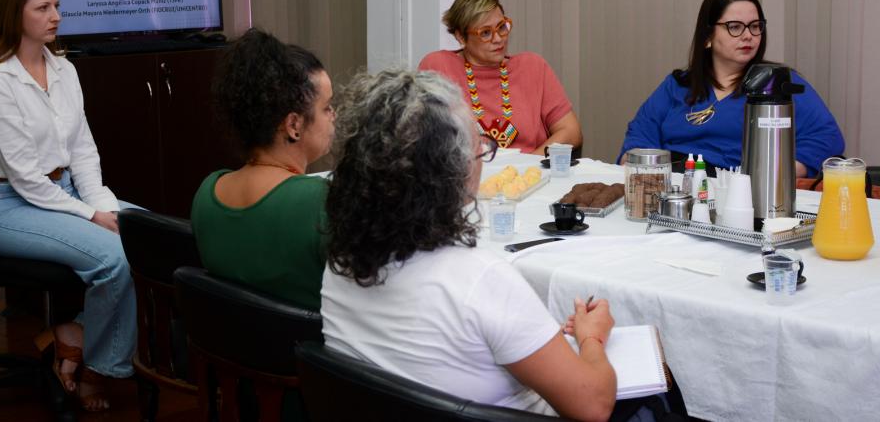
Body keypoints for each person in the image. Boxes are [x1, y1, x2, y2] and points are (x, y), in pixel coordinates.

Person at [322, 70, 618, 421]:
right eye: (481, 150)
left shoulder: (341, 260)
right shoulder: (481, 279)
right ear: (452, 172)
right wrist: (592, 339)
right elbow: (594, 405)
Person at [0, 0, 136, 411]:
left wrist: (106, 208)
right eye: (44, 8)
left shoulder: (65, 69)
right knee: (114, 257)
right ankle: (97, 370)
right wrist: (91, 218)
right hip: (3, 204)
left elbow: (84, 153)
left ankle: (73, 334)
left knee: (149, 234)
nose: (56, 16)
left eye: (57, 6)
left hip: (62, 190)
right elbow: (27, 178)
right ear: (16, 15)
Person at [619, 0, 844, 178]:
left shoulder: (778, 83)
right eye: (735, 27)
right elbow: (640, 134)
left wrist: (774, 177)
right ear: (707, 36)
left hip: (741, 195)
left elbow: (826, 137)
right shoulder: (678, 85)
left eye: (755, 26)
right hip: (677, 189)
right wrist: (643, 175)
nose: (748, 35)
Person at [191, 28, 334, 312]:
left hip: (231, 351)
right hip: (304, 352)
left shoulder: (207, 193)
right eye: (327, 107)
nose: (334, 115)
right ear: (293, 125)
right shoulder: (323, 201)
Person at [418, 0, 582, 155]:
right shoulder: (439, 66)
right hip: (466, 175)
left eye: (501, 27)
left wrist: (527, 167)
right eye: (486, 33)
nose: (498, 39)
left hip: (530, 174)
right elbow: (422, 139)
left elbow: (570, 131)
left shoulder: (533, 67)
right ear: (461, 37)